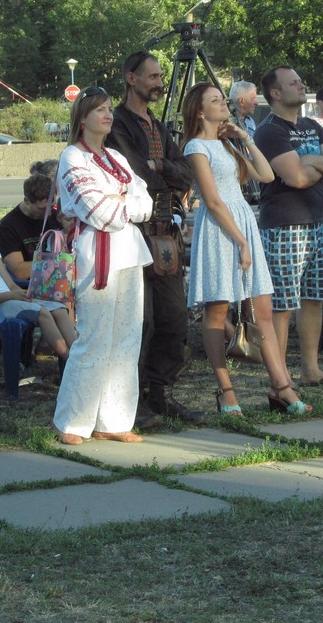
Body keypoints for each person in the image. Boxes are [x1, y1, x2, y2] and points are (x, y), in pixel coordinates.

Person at [181, 83, 309, 415]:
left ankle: (282, 388)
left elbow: (266, 175)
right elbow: (212, 200)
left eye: (222, 99)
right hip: (220, 229)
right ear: (199, 111)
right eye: (215, 100)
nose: (223, 103)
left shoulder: (227, 143)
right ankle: (226, 391)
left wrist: (244, 138)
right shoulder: (196, 147)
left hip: (243, 222)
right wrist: (240, 241)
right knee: (217, 311)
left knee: (262, 311)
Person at [53, 87, 153, 445]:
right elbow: (96, 211)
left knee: (127, 337)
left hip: (129, 251)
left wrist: (121, 201)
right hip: (96, 254)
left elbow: (146, 202)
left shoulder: (116, 157)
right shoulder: (72, 157)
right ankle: (72, 421)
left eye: (109, 108)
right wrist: (124, 202)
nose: (108, 115)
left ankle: (113, 419)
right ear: (83, 118)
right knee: (94, 336)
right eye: (99, 110)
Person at [107, 51, 202, 426]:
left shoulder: (159, 128)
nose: (159, 83)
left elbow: (186, 174)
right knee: (138, 320)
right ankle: (130, 400)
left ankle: (160, 393)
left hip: (165, 232)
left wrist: (160, 165)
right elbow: (134, 174)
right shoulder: (116, 123)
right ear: (131, 78)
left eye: (161, 76)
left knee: (174, 318)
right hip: (132, 231)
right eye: (152, 76)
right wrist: (162, 174)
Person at [254, 66, 323, 388]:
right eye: (293, 83)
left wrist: (309, 161)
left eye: (300, 81)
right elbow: (295, 178)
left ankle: (310, 370)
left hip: (316, 223)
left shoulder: (311, 125)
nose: (302, 85)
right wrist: (317, 164)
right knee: (282, 305)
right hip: (284, 226)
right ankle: (281, 379)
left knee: (313, 298)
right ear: (276, 93)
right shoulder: (269, 131)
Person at [0, 211, 77, 363]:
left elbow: (10, 284)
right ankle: (71, 361)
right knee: (43, 313)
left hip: (10, 301)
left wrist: (23, 294)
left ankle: (79, 353)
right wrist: (11, 296)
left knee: (59, 308)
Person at [0, 166, 60, 283]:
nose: (49, 213)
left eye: (51, 206)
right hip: (31, 285)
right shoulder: (8, 227)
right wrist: (57, 261)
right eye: (42, 209)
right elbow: (19, 271)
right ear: (27, 201)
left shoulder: (56, 217)